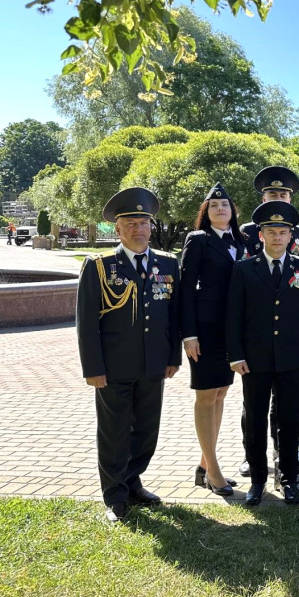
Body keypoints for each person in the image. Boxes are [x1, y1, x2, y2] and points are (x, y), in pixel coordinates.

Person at [76, 187, 181, 523]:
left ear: (151, 226)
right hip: (113, 366)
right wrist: (92, 367)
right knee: (114, 433)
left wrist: (173, 357)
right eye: (130, 223)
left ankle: (133, 483)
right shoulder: (100, 266)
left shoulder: (168, 263)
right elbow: (86, 323)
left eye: (143, 222)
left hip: (154, 363)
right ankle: (115, 496)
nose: (138, 229)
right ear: (118, 230)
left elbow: (174, 315)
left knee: (147, 432)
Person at [227, 201, 299, 507]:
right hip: (254, 359)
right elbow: (234, 316)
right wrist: (235, 354)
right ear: (261, 235)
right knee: (255, 419)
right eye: (271, 232)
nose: (277, 237)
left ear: (291, 236)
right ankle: (257, 481)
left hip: (293, 357)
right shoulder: (244, 269)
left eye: (282, 232)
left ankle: (289, 479)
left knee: (290, 420)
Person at [237, 165, 299, 478]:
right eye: (272, 193)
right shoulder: (246, 231)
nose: (278, 197)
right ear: (263, 197)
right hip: (256, 334)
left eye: (283, 193)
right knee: (253, 407)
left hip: (287, 342)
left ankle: (283, 457)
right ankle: (251, 458)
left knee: (284, 409)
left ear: (290, 198)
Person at [180, 182, 246, 497]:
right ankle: (214, 471)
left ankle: (204, 466)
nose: (220, 209)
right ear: (206, 212)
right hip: (205, 330)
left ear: (233, 211)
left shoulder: (241, 241)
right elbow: (186, 289)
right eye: (214, 205)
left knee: (220, 393)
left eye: (225, 205)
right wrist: (189, 334)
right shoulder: (198, 240)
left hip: (229, 331)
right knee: (206, 396)